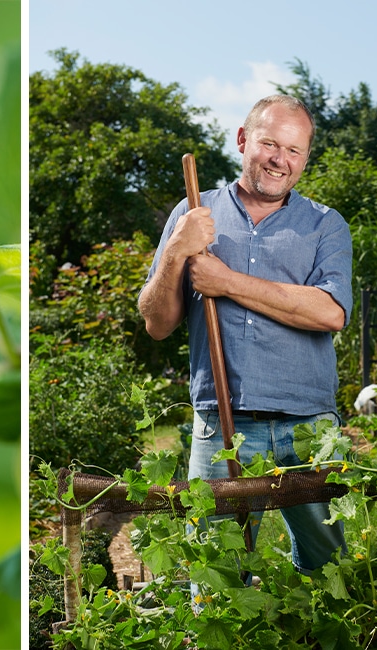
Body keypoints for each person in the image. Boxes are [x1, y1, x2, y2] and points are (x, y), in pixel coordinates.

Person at [137, 94, 353, 575]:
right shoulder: (194, 213)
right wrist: (176, 252)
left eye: (294, 151)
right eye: (270, 143)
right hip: (223, 425)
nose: (281, 159)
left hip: (310, 427)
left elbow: (331, 312)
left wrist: (227, 282)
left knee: (329, 570)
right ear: (242, 140)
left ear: (305, 159)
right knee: (218, 575)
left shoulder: (325, 225)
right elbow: (157, 323)